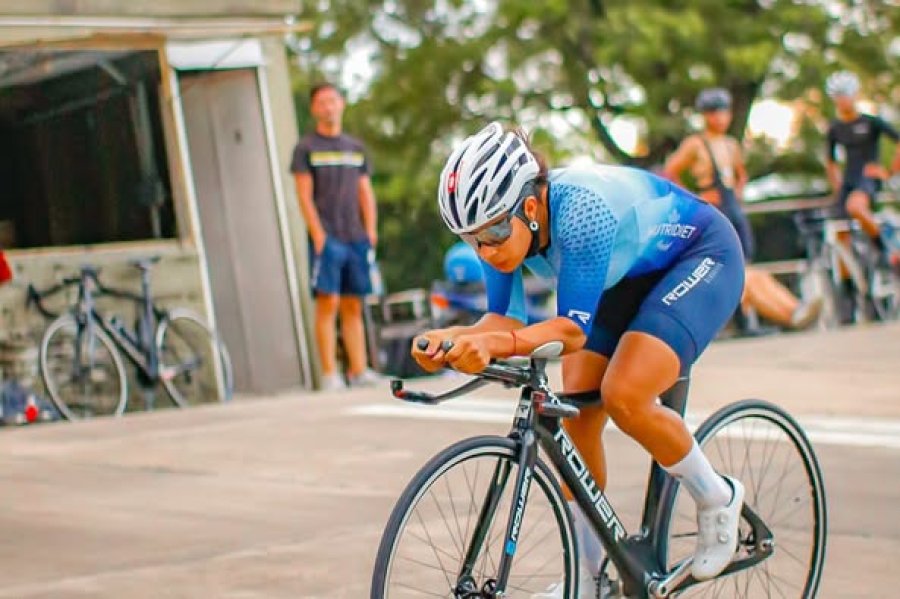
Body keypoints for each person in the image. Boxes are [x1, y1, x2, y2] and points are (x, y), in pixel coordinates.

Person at [413, 122, 747, 596]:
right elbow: (503, 321)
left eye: (491, 234)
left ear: (529, 208)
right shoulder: (499, 229)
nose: (484, 251)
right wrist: (450, 340)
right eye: (471, 241)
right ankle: (590, 579)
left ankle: (718, 496)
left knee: (624, 395)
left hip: (697, 258)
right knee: (580, 421)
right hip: (620, 276)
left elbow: (570, 331)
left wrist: (493, 344)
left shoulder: (581, 212)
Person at [664, 87, 822, 330]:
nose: (719, 118)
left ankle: (793, 311)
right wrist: (696, 198)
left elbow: (740, 174)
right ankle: (791, 314)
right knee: (741, 274)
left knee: (750, 270)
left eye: (723, 112)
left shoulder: (730, 144)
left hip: (732, 209)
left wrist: (737, 191)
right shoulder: (695, 144)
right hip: (713, 210)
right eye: (713, 112)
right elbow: (670, 170)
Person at [291, 83, 380, 390]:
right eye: (322, 102)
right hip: (327, 238)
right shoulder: (305, 149)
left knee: (354, 304)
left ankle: (359, 370)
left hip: (355, 235)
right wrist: (318, 234)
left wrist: (371, 229)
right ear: (314, 108)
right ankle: (330, 373)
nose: (328, 107)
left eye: (333, 101)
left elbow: (364, 191)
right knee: (327, 303)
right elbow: (303, 196)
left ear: (341, 104)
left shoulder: (355, 148)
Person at [824, 70, 900, 268]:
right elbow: (830, 162)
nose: (843, 100)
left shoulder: (871, 122)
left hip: (867, 179)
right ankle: (850, 287)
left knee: (855, 207)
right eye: (838, 96)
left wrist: (889, 173)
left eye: (846, 94)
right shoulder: (835, 128)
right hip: (849, 180)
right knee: (839, 233)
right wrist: (837, 186)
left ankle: (883, 246)